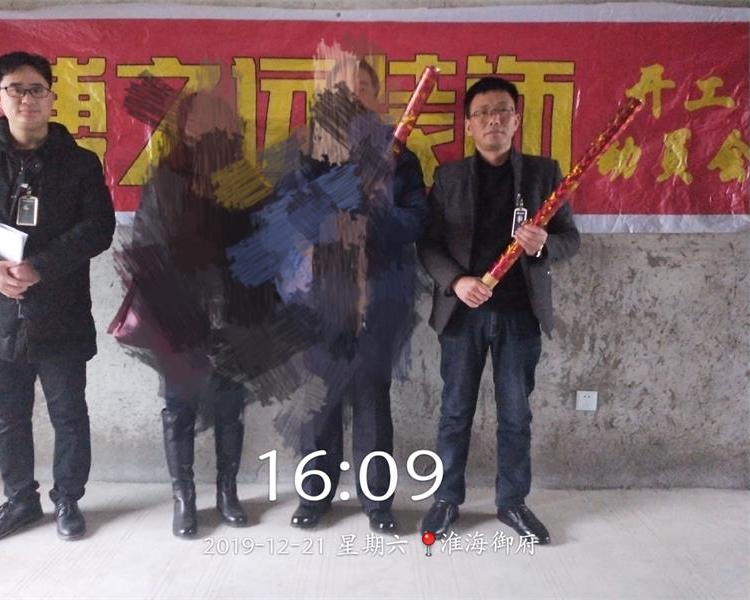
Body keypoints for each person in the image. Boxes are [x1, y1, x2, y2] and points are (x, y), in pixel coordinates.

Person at [0, 51, 116, 542]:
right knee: (8, 419)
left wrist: (41, 266)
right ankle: (20, 501)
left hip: (59, 309)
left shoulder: (79, 162)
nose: (27, 98)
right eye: (16, 89)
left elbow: (98, 227)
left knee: (69, 414)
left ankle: (68, 500)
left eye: (36, 89)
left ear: (51, 96)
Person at [417, 76, 580, 544]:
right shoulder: (448, 178)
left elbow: (571, 239)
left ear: (516, 119)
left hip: (519, 314)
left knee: (515, 414)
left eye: (502, 111)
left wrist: (543, 243)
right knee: (454, 411)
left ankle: (512, 502)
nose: (494, 120)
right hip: (462, 314)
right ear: (469, 125)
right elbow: (427, 244)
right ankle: (446, 499)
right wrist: (457, 281)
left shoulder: (544, 174)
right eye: (483, 113)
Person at [286, 58, 428, 533]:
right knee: (319, 400)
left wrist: (374, 216)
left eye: (363, 87)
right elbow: (289, 215)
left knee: (372, 398)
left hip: (378, 295)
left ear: (376, 97)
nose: (353, 96)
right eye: (343, 88)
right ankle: (314, 496)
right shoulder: (308, 151)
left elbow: (417, 220)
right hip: (318, 296)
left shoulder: (400, 154)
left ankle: (377, 502)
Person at [122, 91, 265, 537]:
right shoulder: (164, 180)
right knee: (179, 407)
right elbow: (144, 247)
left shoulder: (244, 182)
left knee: (230, 405)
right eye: (198, 122)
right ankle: (183, 497)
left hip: (233, 312)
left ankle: (227, 492)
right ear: (183, 130)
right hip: (180, 314)